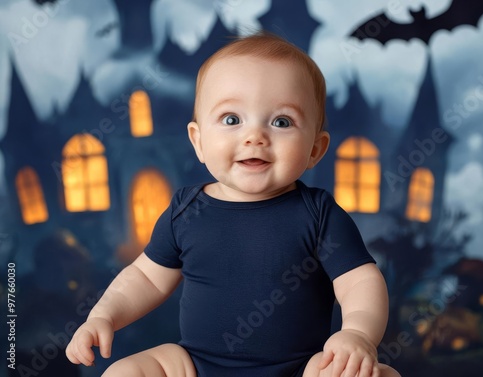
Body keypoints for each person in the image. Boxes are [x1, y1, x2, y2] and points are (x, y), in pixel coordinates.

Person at [66, 32, 401, 377]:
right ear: (198, 141)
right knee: (123, 373)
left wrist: (358, 334)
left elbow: (359, 280)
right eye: (231, 119)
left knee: (380, 375)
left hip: (301, 368)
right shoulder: (186, 211)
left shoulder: (318, 214)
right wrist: (103, 316)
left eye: (281, 122)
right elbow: (144, 278)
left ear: (315, 149)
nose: (254, 136)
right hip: (194, 366)